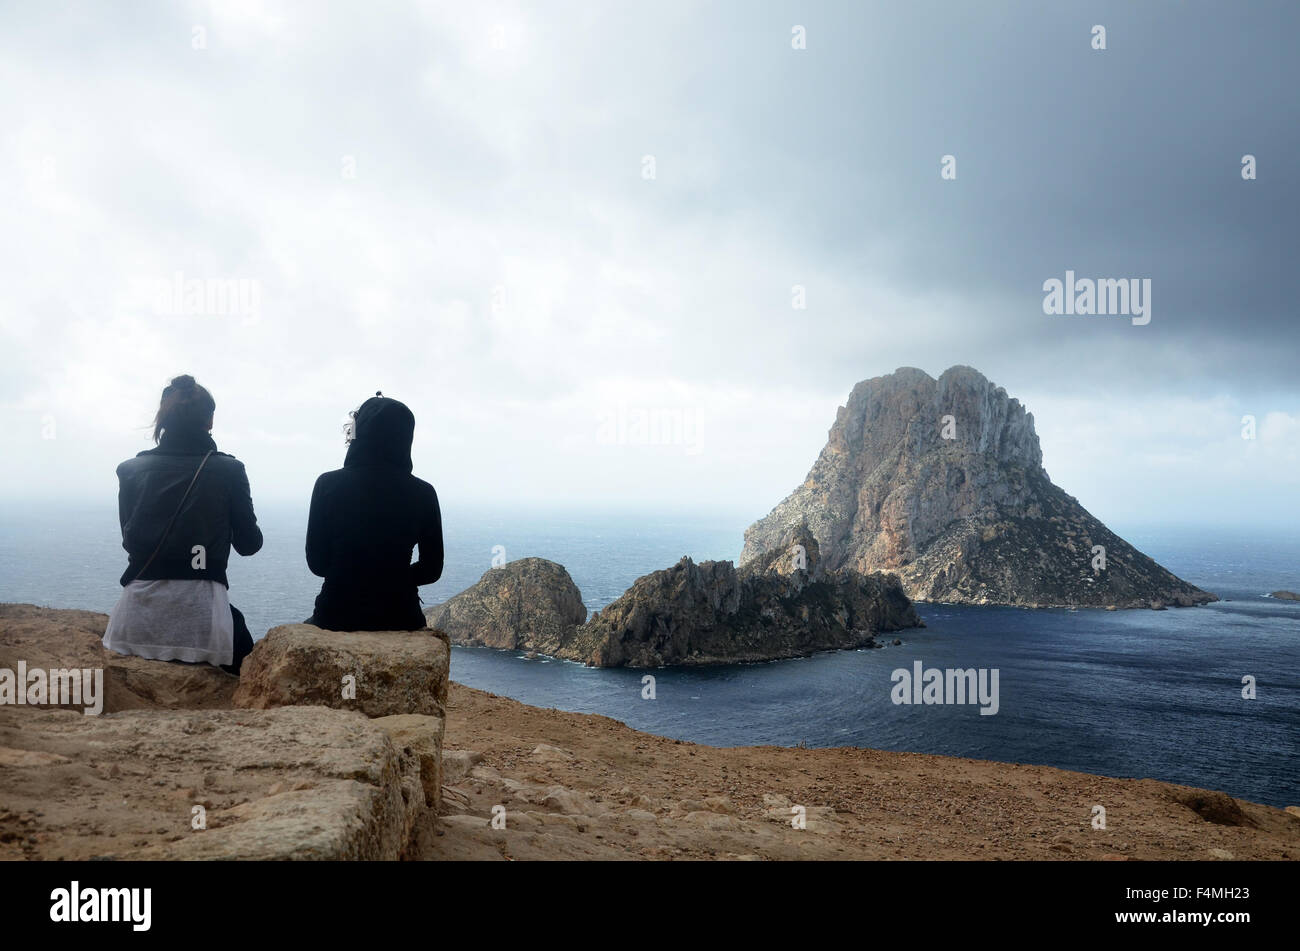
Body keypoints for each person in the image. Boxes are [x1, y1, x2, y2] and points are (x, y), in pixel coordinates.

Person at [104, 375, 262, 675]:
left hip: (132, 625)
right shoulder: (229, 469)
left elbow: (130, 540)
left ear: (163, 418)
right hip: (204, 626)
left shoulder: (130, 470)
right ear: (210, 421)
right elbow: (249, 544)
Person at [305, 392, 443, 631]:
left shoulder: (327, 484)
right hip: (400, 614)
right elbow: (432, 569)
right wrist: (394, 576)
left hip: (336, 614)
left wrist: (351, 572)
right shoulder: (424, 493)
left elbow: (317, 563)